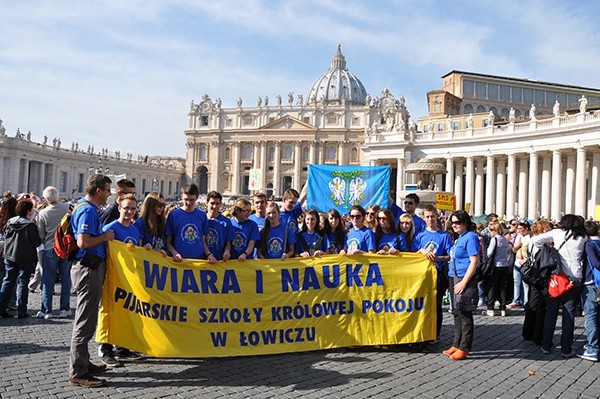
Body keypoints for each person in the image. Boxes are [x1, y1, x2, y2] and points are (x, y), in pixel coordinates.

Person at [69, 174, 115, 388]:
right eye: (107, 189)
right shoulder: (87, 210)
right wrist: (105, 238)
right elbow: (83, 242)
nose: (109, 194)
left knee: (87, 317)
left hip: (89, 267)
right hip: (88, 269)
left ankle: (84, 362)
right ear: (98, 190)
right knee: (85, 321)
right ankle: (78, 371)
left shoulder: (84, 207)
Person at [530, 214, 587, 357]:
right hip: (575, 277)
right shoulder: (583, 237)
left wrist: (548, 251)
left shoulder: (556, 233)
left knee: (552, 311)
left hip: (557, 276)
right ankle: (566, 349)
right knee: (569, 313)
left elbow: (535, 240)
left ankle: (546, 345)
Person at [443, 210, 479, 361]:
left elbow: (474, 261)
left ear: (465, 223)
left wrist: (464, 282)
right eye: (453, 222)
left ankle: (464, 347)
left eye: (457, 222)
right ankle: (456, 343)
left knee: (464, 313)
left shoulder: (471, 237)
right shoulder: (459, 238)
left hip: (464, 278)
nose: (454, 225)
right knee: (456, 312)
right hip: (454, 276)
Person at [414, 205, 452, 339]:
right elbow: (412, 254)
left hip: (439, 274)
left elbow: (449, 255)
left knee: (436, 305)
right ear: (424, 218)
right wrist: (421, 251)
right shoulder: (419, 236)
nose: (430, 219)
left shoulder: (444, 236)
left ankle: (436, 333)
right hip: (423, 275)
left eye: (432, 217)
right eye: (428, 217)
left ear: (436, 217)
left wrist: (438, 258)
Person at [0, 199, 42, 319]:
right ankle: (22, 310)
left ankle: (2, 307)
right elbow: (37, 242)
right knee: (23, 283)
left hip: (9, 255)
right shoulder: (30, 225)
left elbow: (5, 235)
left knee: (8, 281)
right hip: (25, 257)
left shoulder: (10, 222)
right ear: (28, 211)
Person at [36, 186, 72, 319]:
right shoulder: (67, 208)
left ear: (45, 198)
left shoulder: (43, 213)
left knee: (47, 280)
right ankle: (65, 309)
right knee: (66, 279)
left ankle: (47, 310)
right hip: (66, 247)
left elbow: (40, 234)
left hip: (50, 247)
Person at [522, 220, 552, 345]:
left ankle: (528, 332)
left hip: (532, 275)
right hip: (540, 276)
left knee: (533, 305)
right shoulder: (540, 244)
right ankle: (538, 335)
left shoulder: (531, 242)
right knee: (541, 307)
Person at [165, 184, 211, 262]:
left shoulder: (202, 215)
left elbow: (203, 240)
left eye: (192, 200)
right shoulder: (173, 215)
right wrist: (174, 253)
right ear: (181, 197)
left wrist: (209, 254)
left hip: (198, 261)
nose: (188, 203)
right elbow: (168, 242)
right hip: (179, 261)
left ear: (197, 198)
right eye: (186, 199)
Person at [579, 220, 600, 361]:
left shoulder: (588, 245)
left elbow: (595, 263)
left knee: (591, 315)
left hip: (591, 282)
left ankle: (592, 348)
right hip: (598, 283)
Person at [484, 222, 512, 317]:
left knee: (492, 286)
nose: (490, 232)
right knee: (502, 287)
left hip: (495, 266)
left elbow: (489, 253)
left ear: (496, 230)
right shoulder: (505, 240)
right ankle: (503, 308)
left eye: (491, 230)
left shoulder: (494, 239)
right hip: (505, 265)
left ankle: (490, 308)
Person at [204, 191, 235, 261]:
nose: (214, 206)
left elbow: (228, 243)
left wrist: (227, 251)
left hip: (219, 261)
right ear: (206, 203)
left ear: (220, 204)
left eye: (217, 204)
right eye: (212, 203)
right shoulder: (201, 219)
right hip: (202, 260)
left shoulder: (226, 222)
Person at [509, 221, 531, 308]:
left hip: (525, 262)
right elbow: (514, 250)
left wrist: (525, 260)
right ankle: (516, 300)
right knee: (517, 282)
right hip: (517, 261)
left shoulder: (530, 238)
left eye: (521, 229)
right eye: (518, 229)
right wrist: (516, 247)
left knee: (525, 283)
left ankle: (526, 301)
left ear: (526, 229)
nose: (519, 231)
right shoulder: (518, 238)